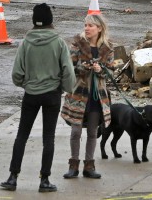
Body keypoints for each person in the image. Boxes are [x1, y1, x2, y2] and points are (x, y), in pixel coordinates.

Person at [0, 4, 76, 193]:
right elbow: (68, 70)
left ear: (34, 21)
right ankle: (44, 180)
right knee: (48, 138)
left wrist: (26, 84)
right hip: (52, 95)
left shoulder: (26, 42)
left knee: (22, 135)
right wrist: (66, 88)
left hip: (31, 95)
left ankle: (12, 177)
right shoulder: (58, 42)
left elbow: (17, 73)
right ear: (51, 20)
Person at [60, 14, 115, 180]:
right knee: (76, 131)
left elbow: (112, 72)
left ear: (99, 28)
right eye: (85, 25)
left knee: (93, 132)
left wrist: (101, 70)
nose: (87, 28)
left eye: (90, 25)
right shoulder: (77, 44)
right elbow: (69, 68)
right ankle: (73, 165)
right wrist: (83, 67)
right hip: (79, 94)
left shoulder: (108, 48)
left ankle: (89, 165)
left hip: (97, 96)